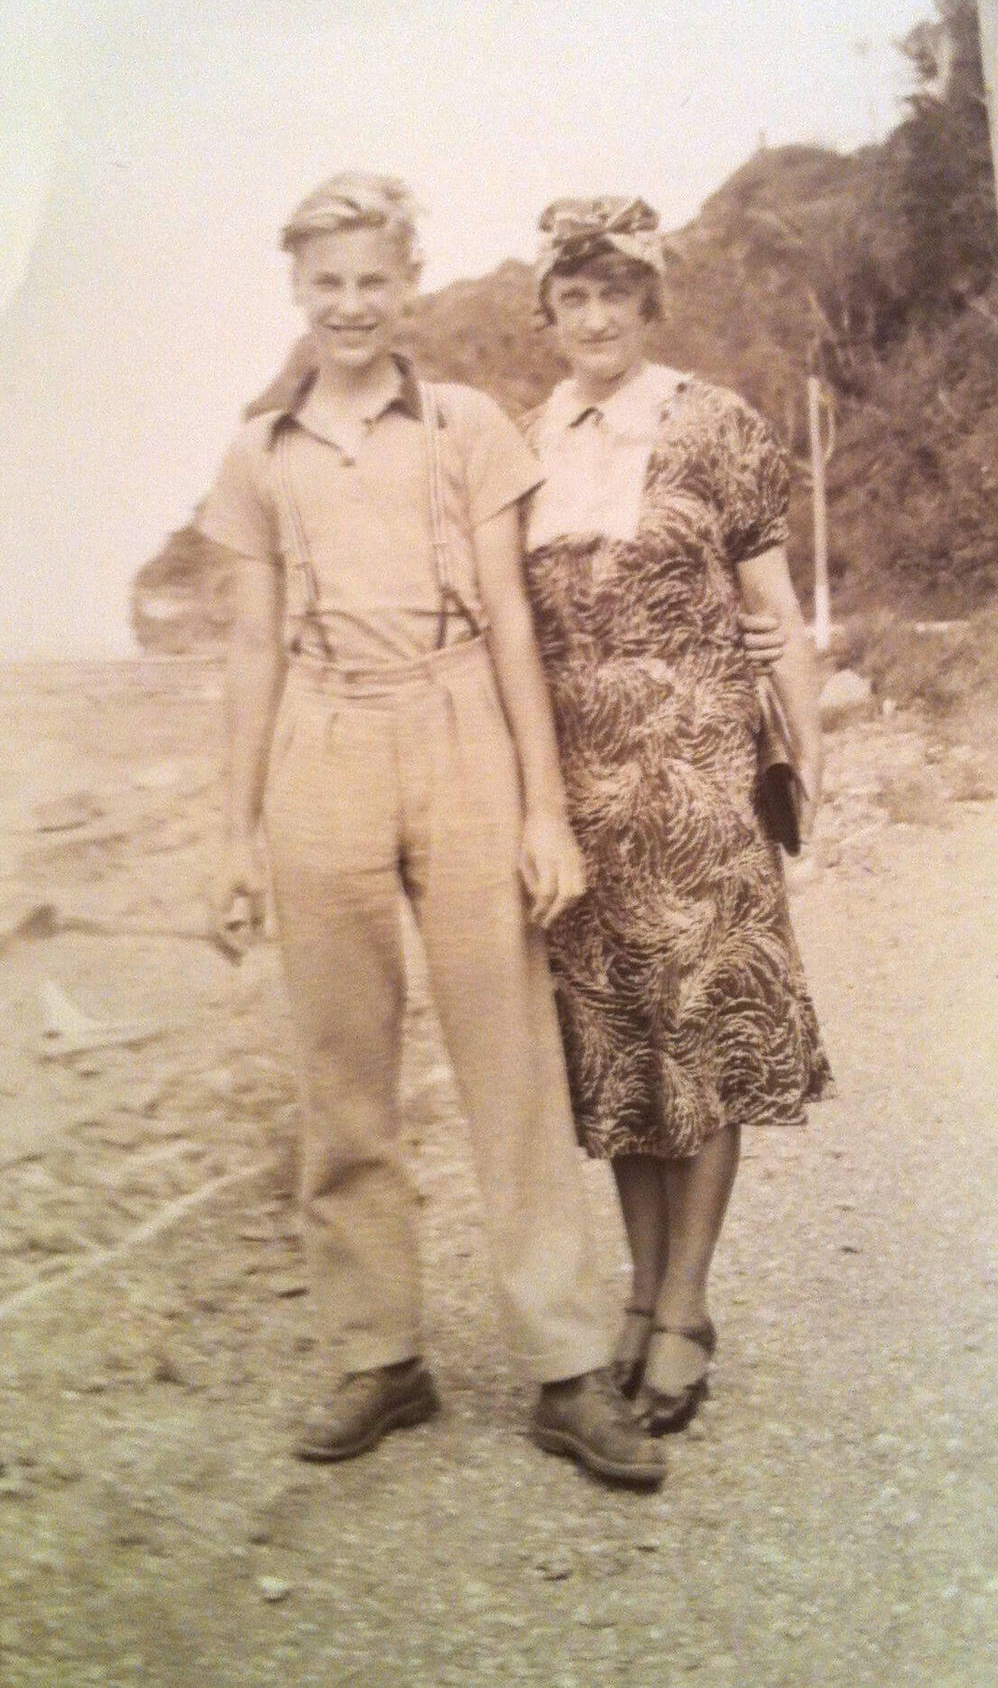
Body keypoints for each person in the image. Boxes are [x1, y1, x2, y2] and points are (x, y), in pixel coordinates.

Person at [199, 172, 665, 1489]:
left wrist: (540, 806)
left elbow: (516, 623)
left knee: (508, 1060)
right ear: (299, 290)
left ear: (408, 286)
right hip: (322, 748)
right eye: (327, 282)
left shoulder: (464, 427)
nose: (351, 305)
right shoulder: (259, 449)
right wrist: (232, 834)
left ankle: (568, 1370)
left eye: (373, 280)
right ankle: (380, 1354)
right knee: (340, 1070)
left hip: (459, 723)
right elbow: (247, 645)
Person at [520, 196, 834, 1434]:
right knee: (620, 1056)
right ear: (549, 316)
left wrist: (808, 751)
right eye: (573, 297)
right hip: (580, 800)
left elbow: (776, 607)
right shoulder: (524, 444)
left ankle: (688, 1307)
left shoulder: (715, 426)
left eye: (616, 294)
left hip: (698, 787)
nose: (596, 317)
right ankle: (641, 1299)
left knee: (703, 1044)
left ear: (650, 303)